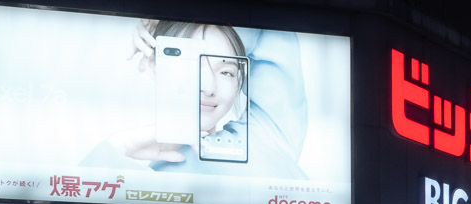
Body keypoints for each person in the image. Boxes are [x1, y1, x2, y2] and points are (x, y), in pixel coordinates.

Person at [83, 20, 308, 180]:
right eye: (193, 66)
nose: (209, 88)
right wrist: (119, 145)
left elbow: (272, 28)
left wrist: (179, 13)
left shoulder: (269, 137)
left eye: (226, 72)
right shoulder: (145, 182)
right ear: (153, 65)